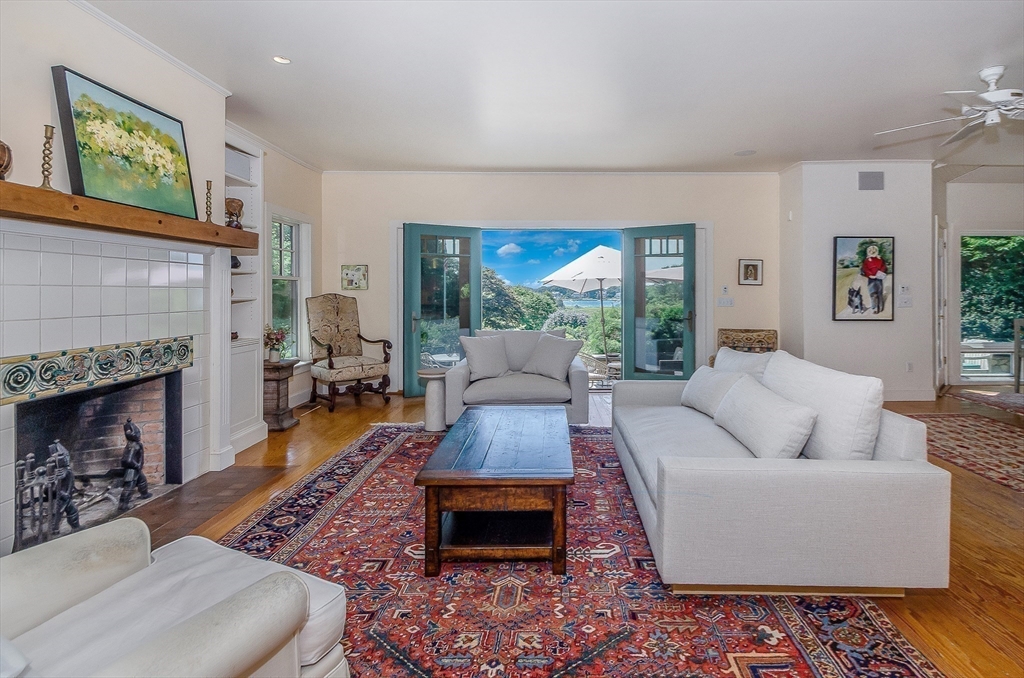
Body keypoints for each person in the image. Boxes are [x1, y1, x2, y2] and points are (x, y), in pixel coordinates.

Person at [860, 245, 888, 314]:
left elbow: (884, 267)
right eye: (870, 251)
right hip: (871, 279)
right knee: (872, 294)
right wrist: (870, 275)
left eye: (874, 251)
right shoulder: (866, 260)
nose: (872, 252)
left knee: (879, 293)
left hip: (879, 278)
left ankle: (881, 307)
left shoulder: (880, 259)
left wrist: (879, 273)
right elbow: (865, 269)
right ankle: (874, 308)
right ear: (868, 252)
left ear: (876, 251)